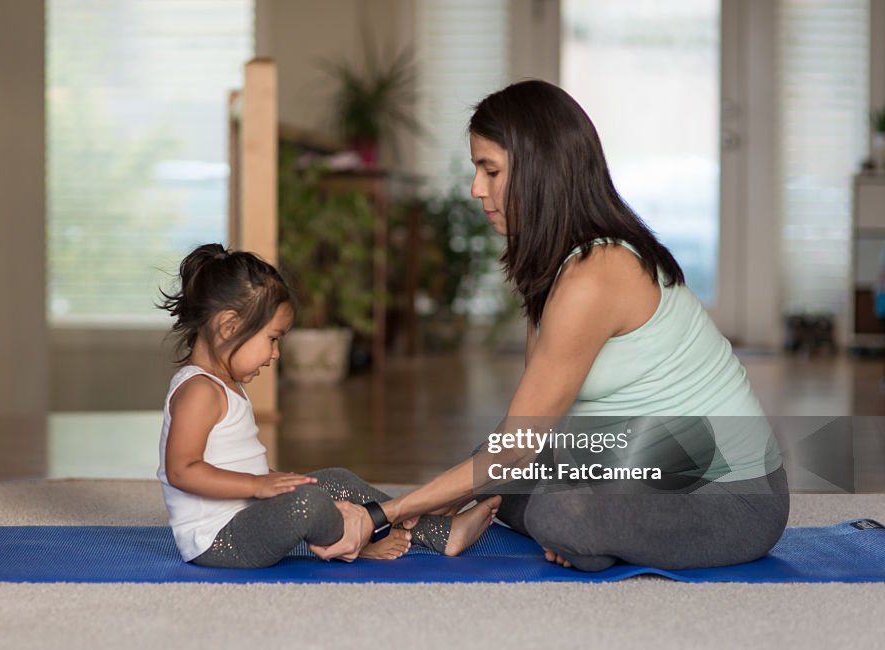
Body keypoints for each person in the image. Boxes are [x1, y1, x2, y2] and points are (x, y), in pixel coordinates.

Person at [313, 80, 790, 571]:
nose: (476, 188)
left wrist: (384, 513)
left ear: (540, 171)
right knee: (497, 466)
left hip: (730, 496)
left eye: (490, 170)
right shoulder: (555, 266)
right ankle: (490, 528)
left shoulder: (598, 273)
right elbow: (525, 432)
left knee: (559, 510)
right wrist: (446, 500)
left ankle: (589, 539)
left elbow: (516, 450)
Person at [156, 243, 500, 568]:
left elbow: (233, 462)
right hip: (219, 540)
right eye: (272, 339)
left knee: (333, 481)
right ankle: (357, 543)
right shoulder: (199, 391)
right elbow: (182, 470)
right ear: (229, 326)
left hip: (247, 514)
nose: (276, 353)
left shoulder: (223, 385)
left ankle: (440, 533)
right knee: (309, 503)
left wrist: (273, 480)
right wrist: (258, 486)